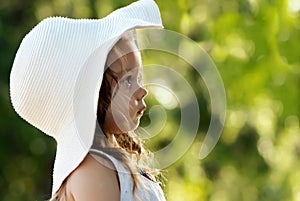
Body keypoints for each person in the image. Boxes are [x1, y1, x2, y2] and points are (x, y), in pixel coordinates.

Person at [10, 0, 166, 200]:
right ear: (93, 93)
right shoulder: (92, 171)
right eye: (127, 80)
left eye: (138, 77)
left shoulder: (108, 164)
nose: (142, 90)